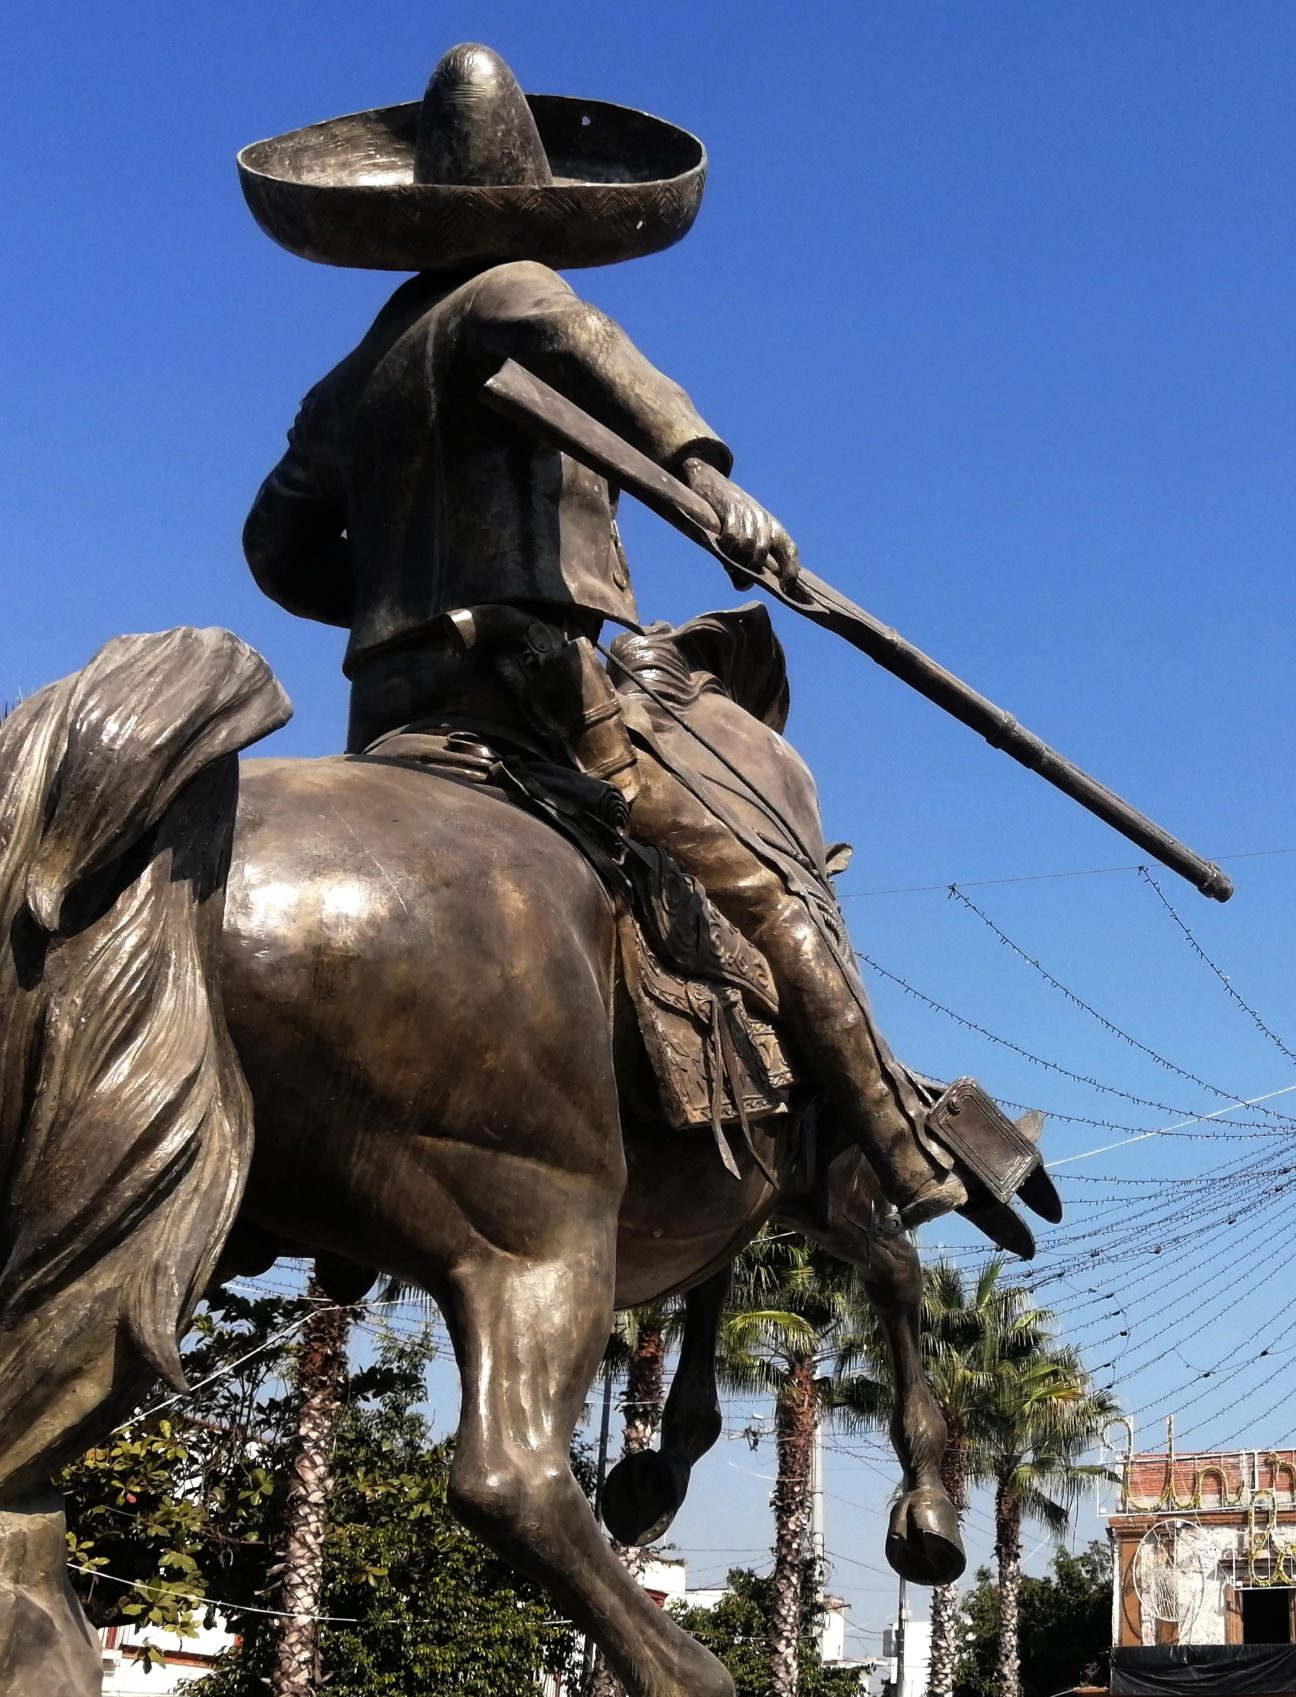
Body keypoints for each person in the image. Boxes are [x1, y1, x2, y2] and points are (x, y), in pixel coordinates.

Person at [239, 43, 1042, 1249]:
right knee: (768, 891)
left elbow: (274, 547)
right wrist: (707, 477)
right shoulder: (518, 290)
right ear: (533, 205)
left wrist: (392, 607)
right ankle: (898, 1143)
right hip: (532, 687)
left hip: (388, 709)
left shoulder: (347, 381)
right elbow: (612, 372)